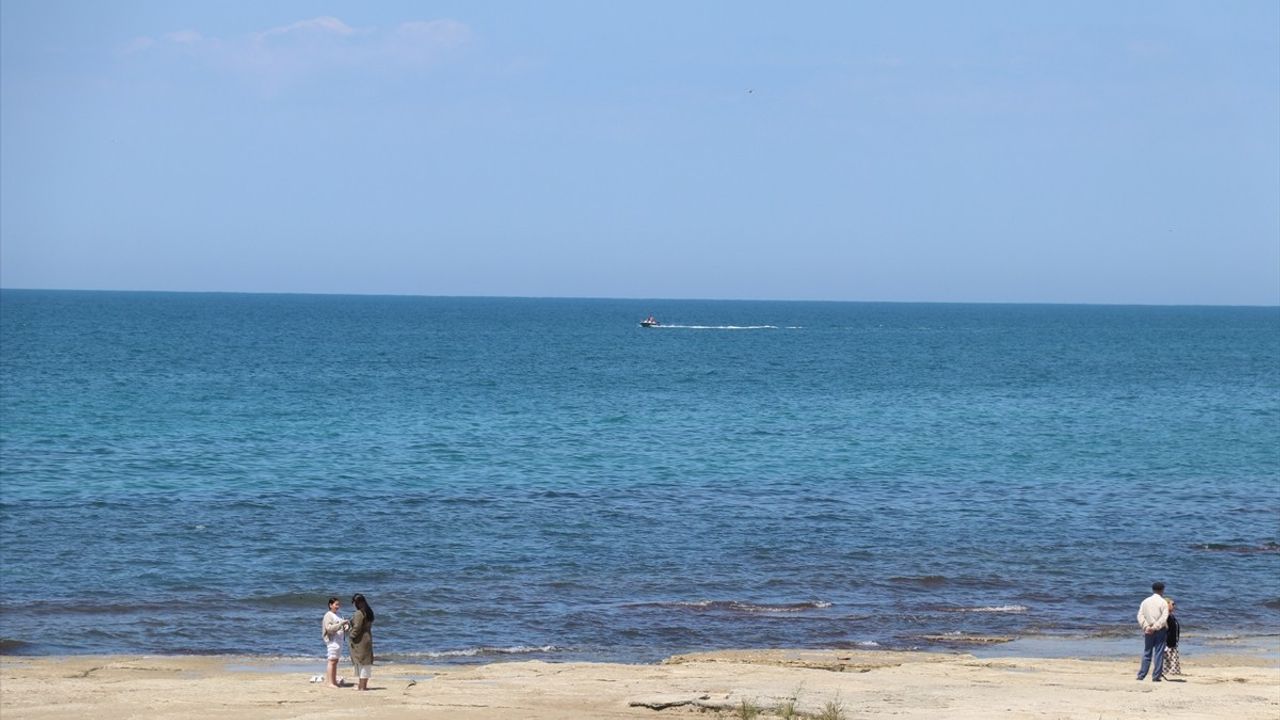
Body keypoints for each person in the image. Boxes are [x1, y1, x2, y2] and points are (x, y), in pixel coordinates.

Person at [1136, 581, 1169, 681]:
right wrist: (1155, 627)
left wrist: (1146, 627)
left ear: (1153, 589)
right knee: (1159, 653)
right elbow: (1164, 617)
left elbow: (1140, 616)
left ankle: (1141, 675)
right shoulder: (1163, 602)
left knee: (1147, 652)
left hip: (1148, 629)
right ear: (1162, 590)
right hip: (1159, 629)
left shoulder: (1145, 601)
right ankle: (1156, 676)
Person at [348, 593, 375, 691]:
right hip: (368, 637)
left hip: (361, 640)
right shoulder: (368, 612)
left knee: (361, 662)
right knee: (366, 662)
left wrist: (351, 636)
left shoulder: (359, 613)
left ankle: (362, 686)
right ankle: (363, 685)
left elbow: (357, 627)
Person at [321, 597, 349, 689]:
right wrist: (341, 624)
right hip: (332, 640)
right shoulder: (328, 615)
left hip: (339, 641)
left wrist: (346, 626)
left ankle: (333, 681)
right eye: (336, 604)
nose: (338, 606)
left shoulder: (338, 615)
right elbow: (329, 628)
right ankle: (330, 683)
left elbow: (342, 626)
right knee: (331, 660)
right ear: (330, 605)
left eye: (338, 604)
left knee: (335, 661)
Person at [1162, 597, 1182, 678]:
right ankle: (1163, 672)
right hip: (1168, 641)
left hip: (1173, 640)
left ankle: (1171, 671)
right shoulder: (1165, 615)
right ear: (1167, 605)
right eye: (1172, 604)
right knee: (1167, 656)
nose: (1174, 606)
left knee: (1172, 655)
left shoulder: (1171, 615)